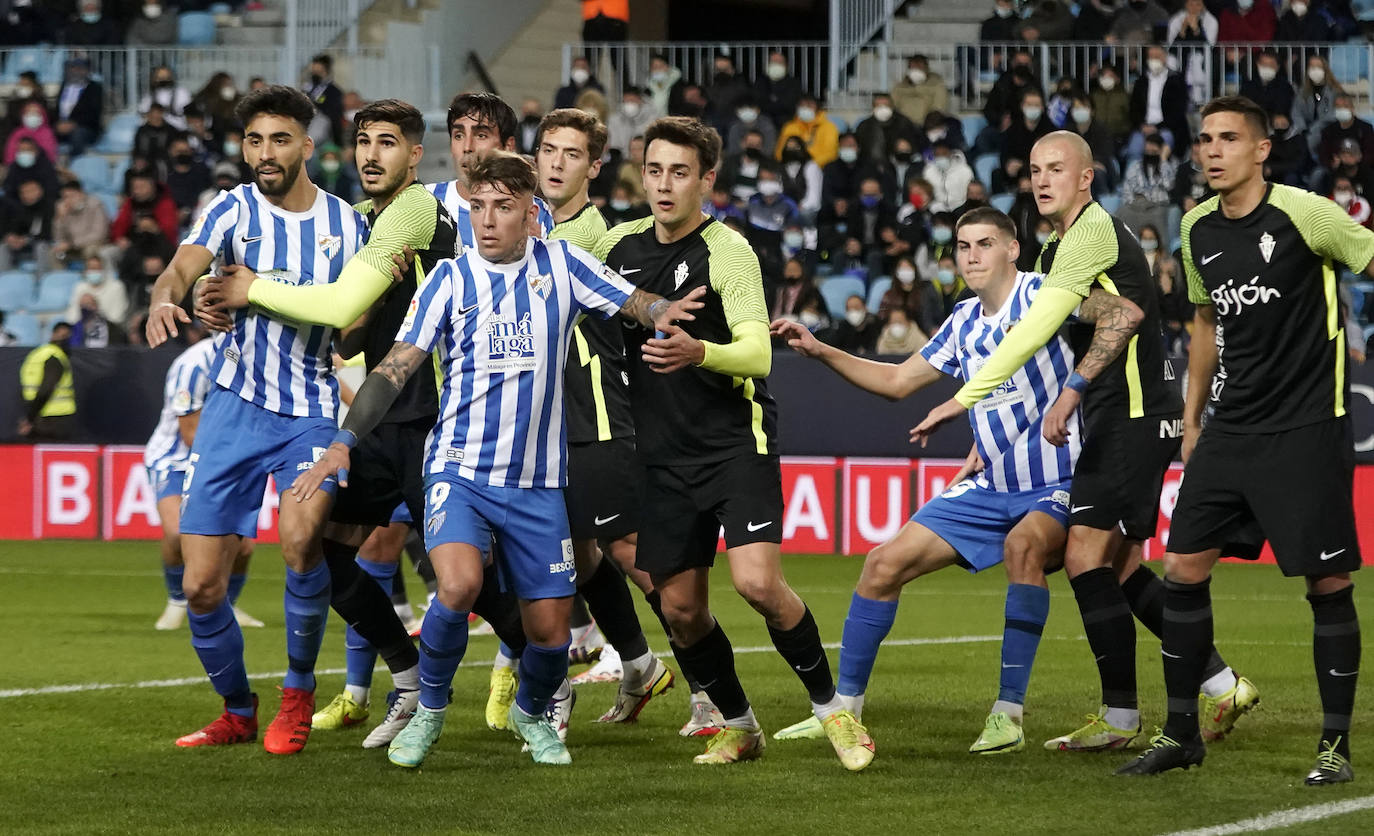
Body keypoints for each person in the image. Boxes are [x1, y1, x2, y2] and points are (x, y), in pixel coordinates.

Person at [291, 149, 698, 768]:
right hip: (460, 471)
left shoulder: (562, 265)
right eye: (477, 206)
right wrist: (344, 442)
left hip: (539, 484)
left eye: (502, 207)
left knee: (551, 634)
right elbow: (395, 369)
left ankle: (532, 712)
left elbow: (632, 302)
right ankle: (428, 710)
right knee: (458, 586)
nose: (486, 220)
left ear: (531, 215)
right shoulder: (450, 279)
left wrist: (662, 312)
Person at [912, 131, 1256, 752]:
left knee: (1082, 558)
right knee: (1120, 565)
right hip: (1120, 418)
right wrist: (987, 440)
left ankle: (1121, 717)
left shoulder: (1094, 231)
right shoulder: (1054, 255)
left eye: (1056, 169)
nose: (1042, 180)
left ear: (1086, 178)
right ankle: (1222, 683)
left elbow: (1123, 318)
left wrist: (1060, 392)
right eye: (1035, 169)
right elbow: (1050, 350)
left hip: (1133, 413)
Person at [196, 98, 518, 752]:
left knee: (462, 578)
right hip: (386, 417)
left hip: (441, 420)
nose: (372, 155)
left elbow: (341, 300)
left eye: (388, 143)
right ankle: (405, 675)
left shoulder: (414, 208)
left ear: (413, 155)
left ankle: (543, 674)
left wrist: (250, 288)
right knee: (326, 546)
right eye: (364, 142)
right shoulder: (363, 223)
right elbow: (347, 330)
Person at [592, 116, 869, 769]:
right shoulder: (618, 246)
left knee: (757, 583)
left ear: (707, 179)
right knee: (682, 610)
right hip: (657, 454)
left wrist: (701, 350)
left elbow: (757, 352)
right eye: (655, 170)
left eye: (680, 172)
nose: (664, 185)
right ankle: (740, 726)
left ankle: (834, 712)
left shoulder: (728, 249)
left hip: (732, 443)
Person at [770, 207, 1086, 756]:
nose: (971, 256)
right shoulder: (963, 319)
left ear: (1013, 249)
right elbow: (896, 380)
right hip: (989, 485)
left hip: (1055, 478)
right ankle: (843, 712)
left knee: (1023, 548)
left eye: (985, 244)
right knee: (881, 564)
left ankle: (1008, 714)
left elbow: (1118, 323)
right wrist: (820, 350)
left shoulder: (1048, 295)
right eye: (963, 246)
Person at [1119, 96, 1368, 785]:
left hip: (1307, 429)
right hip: (1229, 429)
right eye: (1204, 139)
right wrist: (1193, 421)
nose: (1212, 150)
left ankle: (1334, 747)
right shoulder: (1196, 227)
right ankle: (1180, 733)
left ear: (1261, 149)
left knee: (1326, 580)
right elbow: (1204, 326)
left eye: (1229, 138)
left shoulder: (1307, 213)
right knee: (1182, 568)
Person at [142, 85, 370, 755]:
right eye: (252, 141)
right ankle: (238, 709)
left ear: (306, 144)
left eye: (277, 139)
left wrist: (261, 297)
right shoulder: (231, 209)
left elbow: (353, 328)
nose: (263, 153)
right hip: (232, 410)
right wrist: (167, 299)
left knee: (301, 541)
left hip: (310, 412)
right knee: (202, 583)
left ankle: (298, 695)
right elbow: (182, 267)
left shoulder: (347, 224)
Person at [534, 107, 684, 727]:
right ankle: (641, 665)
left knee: (628, 552)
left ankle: (707, 688)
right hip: (545, 426)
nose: (556, 163)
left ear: (594, 167)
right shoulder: (529, 228)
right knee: (582, 555)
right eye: (548, 150)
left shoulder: (595, 240)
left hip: (594, 418)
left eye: (572, 154)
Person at [144, 323, 261, 632]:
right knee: (176, 533)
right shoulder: (192, 365)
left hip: (226, 458)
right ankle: (176, 602)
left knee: (244, 546)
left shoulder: (256, 361)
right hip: (175, 459)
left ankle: (229, 606)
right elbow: (189, 433)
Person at [427, 93, 555, 253]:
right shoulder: (426, 202)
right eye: (458, 136)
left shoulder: (537, 213)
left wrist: (535, 252)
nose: (467, 147)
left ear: (508, 147)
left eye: (481, 135)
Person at [18, 322, 77, 441]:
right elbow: (46, 389)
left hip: (41, 416)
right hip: (53, 421)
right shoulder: (55, 357)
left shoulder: (37, 354)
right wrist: (30, 419)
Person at [1129, 45, 1191, 155]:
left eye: (1157, 56)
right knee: (1133, 151)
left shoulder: (1176, 81)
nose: (1154, 60)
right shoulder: (1141, 81)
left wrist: (1157, 127)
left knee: (1162, 148)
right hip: (1143, 128)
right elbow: (1134, 108)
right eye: (1151, 57)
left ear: (1165, 58)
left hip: (1167, 129)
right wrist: (1142, 125)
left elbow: (1178, 112)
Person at [0, 179, 53, 271]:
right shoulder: (20, 209)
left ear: (39, 191)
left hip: (42, 242)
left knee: (41, 247)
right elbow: (16, 228)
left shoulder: (49, 207)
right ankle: (5, 279)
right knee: (3, 247)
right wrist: (12, 237)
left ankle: (42, 280)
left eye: (30, 191)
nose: (26, 195)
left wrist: (26, 240)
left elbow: (48, 233)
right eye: (23, 192)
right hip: (24, 244)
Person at [53, 57, 103, 155]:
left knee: (77, 135)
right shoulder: (64, 86)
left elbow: (94, 113)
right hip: (62, 126)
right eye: (74, 68)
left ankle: (74, 165)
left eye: (80, 68)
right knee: (45, 133)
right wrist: (58, 124)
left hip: (85, 128)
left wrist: (74, 124)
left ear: (87, 71)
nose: (76, 71)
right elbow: (57, 110)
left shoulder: (94, 88)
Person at [776, 95, 839, 167]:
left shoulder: (829, 127)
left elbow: (830, 153)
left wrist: (811, 165)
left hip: (819, 168)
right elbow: (780, 152)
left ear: (818, 109)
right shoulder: (789, 127)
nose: (805, 108)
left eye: (809, 105)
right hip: (792, 167)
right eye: (802, 105)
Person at [65, 255, 127, 324]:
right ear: (85, 271)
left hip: (110, 329)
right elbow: (72, 315)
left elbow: (118, 316)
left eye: (97, 268)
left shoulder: (116, 287)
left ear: (104, 270)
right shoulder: (79, 287)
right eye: (91, 268)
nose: (94, 271)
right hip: (83, 329)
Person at [754, 50, 804, 130]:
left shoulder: (793, 83)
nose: (776, 64)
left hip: (787, 122)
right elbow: (759, 102)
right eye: (773, 61)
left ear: (786, 65)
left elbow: (790, 104)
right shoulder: (761, 82)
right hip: (764, 123)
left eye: (779, 62)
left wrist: (771, 102)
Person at [893, 55, 948, 126]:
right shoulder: (899, 87)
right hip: (904, 125)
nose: (916, 70)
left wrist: (929, 123)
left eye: (919, 67)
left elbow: (939, 107)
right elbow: (892, 104)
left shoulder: (937, 85)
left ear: (926, 68)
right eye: (913, 67)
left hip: (928, 124)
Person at [304, 54, 345, 147]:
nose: (315, 75)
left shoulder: (334, 91)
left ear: (326, 71)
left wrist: (316, 104)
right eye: (313, 71)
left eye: (319, 71)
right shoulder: (307, 88)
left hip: (323, 122)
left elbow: (333, 114)